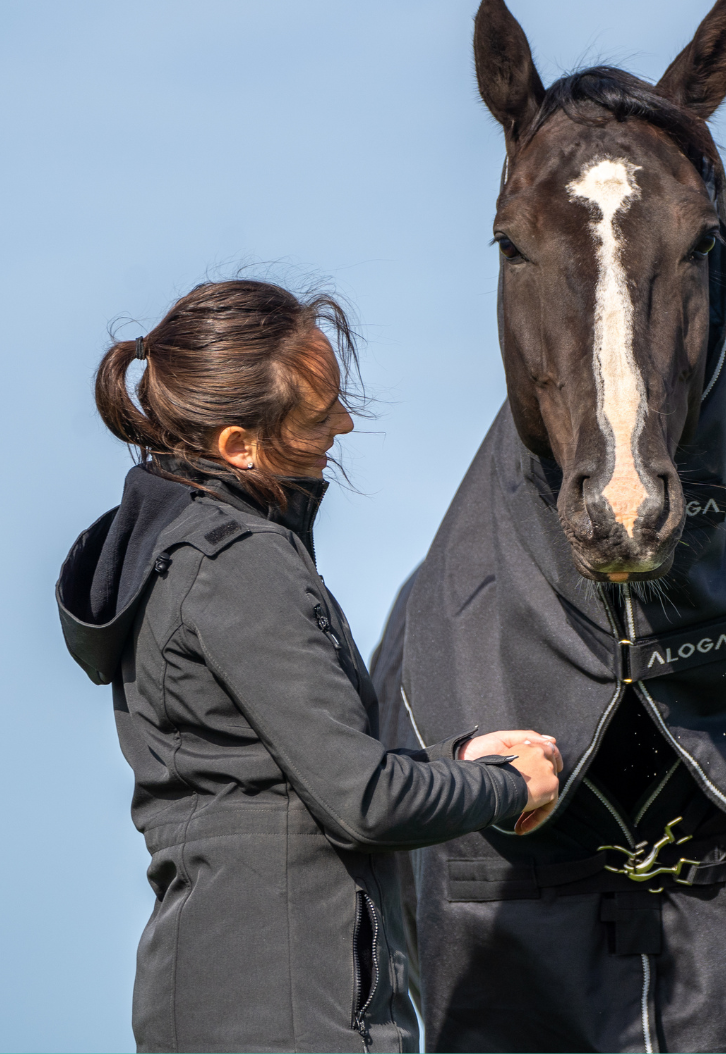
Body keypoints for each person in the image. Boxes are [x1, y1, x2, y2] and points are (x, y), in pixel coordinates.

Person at [56, 279, 562, 1054]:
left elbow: (289, 778)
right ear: (239, 447)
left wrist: (453, 759)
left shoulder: (179, 549)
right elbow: (364, 803)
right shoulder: (240, 566)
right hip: (298, 1014)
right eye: (318, 413)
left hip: (223, 1003)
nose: (344, 424)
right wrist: (506, 786)